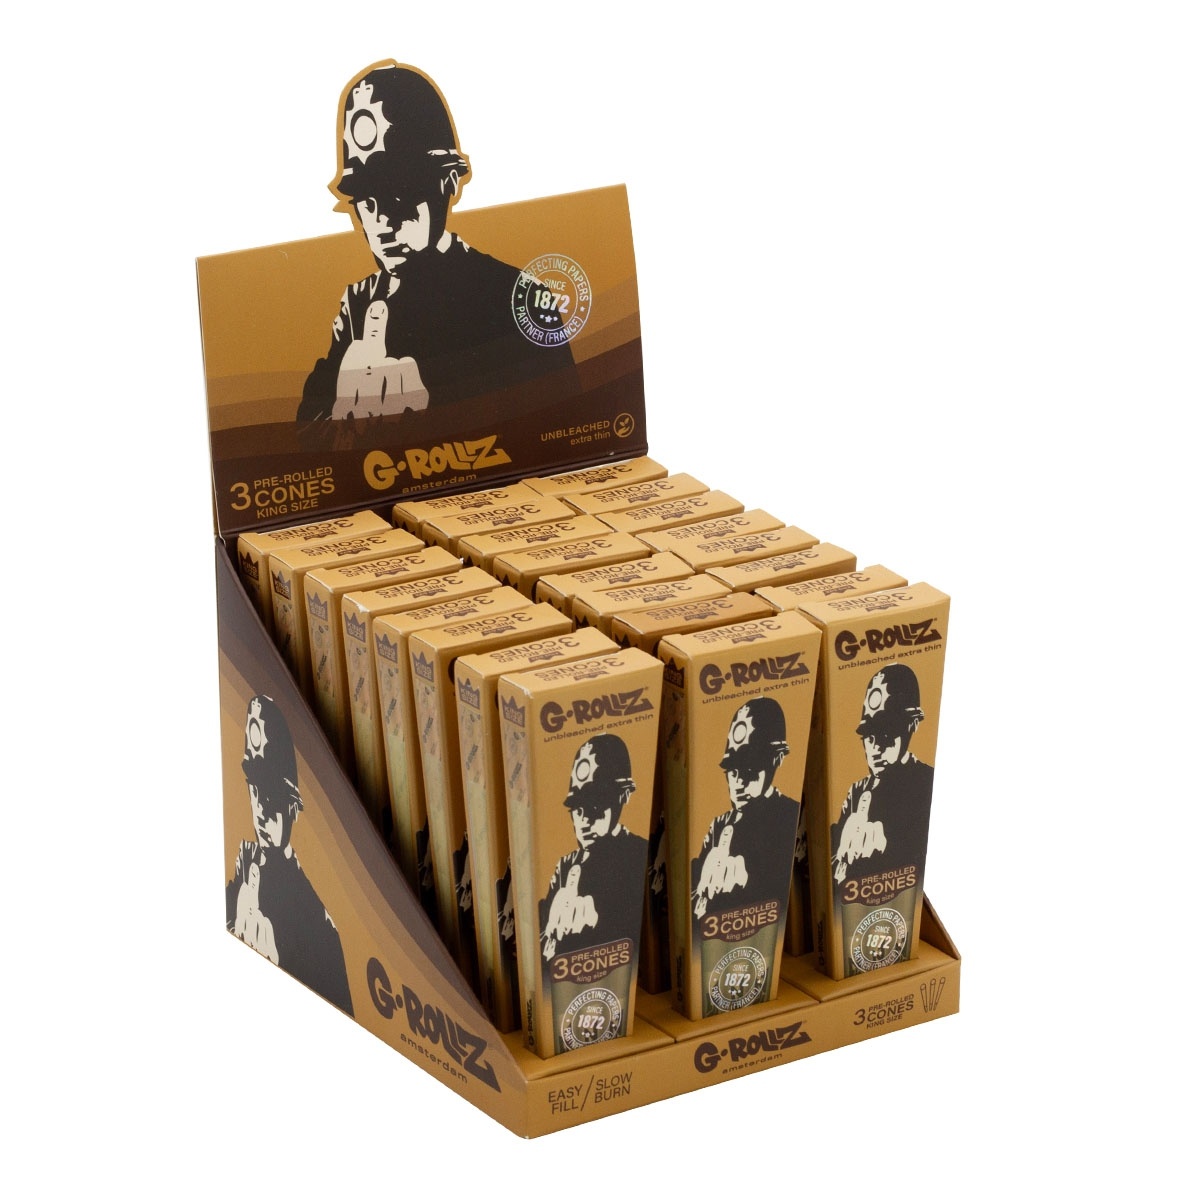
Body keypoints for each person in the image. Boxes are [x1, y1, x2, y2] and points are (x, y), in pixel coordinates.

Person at [298, 62, 575, 426]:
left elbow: (566, 425)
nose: (381, 221)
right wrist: (341, 406)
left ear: (449, 182)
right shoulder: (358, 304)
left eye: (399, 192)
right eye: (366, 201)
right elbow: (304, 431)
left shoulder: (517, 297)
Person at [226, 694, 354, 1016]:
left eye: (273, 794)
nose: (261, 808)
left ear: (293, 807)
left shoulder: (322, 929)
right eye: (255, 788)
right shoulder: (241, 879)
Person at [539, 734, 649, 964]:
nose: (584, 820)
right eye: (577, 809)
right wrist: (550, 932)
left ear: (623, 796)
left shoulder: (638, 854)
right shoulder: (566, 867)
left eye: (596, 805)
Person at [691, 697, 800, 920]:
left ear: (777, 759)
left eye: (749, 768)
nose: (739, 782)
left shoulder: (790, 815)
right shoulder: (719, 826)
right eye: (733, 771)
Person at [831, 664, 934, 888]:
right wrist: (840, 854)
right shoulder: (857, 792)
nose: (876, 748)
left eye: (886, 734)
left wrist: (885, 850)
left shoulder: (925, 781)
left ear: (912, 725)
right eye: (869, 737)